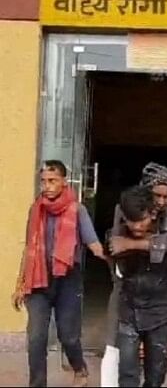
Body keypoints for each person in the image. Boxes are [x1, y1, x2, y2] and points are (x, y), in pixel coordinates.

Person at [102, 163, 167, 387]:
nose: (161, 201)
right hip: (129, 289)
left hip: (164, 291)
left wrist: (131, 243)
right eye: (157, 195)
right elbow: (113, 246)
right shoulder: (126, 207)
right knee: (119, 346)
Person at [11, 160, 106, 387]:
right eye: (43, 181)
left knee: (69, 336)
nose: (47, 186)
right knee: (36, 338)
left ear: (64, 182)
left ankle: (80, 369)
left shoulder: (77, 210)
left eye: (52, 181)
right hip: (38, 279)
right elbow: (29, 248)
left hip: (67, 281)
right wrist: (20, 284)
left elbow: (93, 244)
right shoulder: (36, 209)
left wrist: (114, 259)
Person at [113, 185, 167, 387]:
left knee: (156, 374)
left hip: (161, 312)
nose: (136, 226)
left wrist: (133, 244)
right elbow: (113, 254)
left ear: (152, 214)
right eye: (131, 220)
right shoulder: (117, 237)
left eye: (141, 220)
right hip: (129, 312)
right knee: (127, 373)